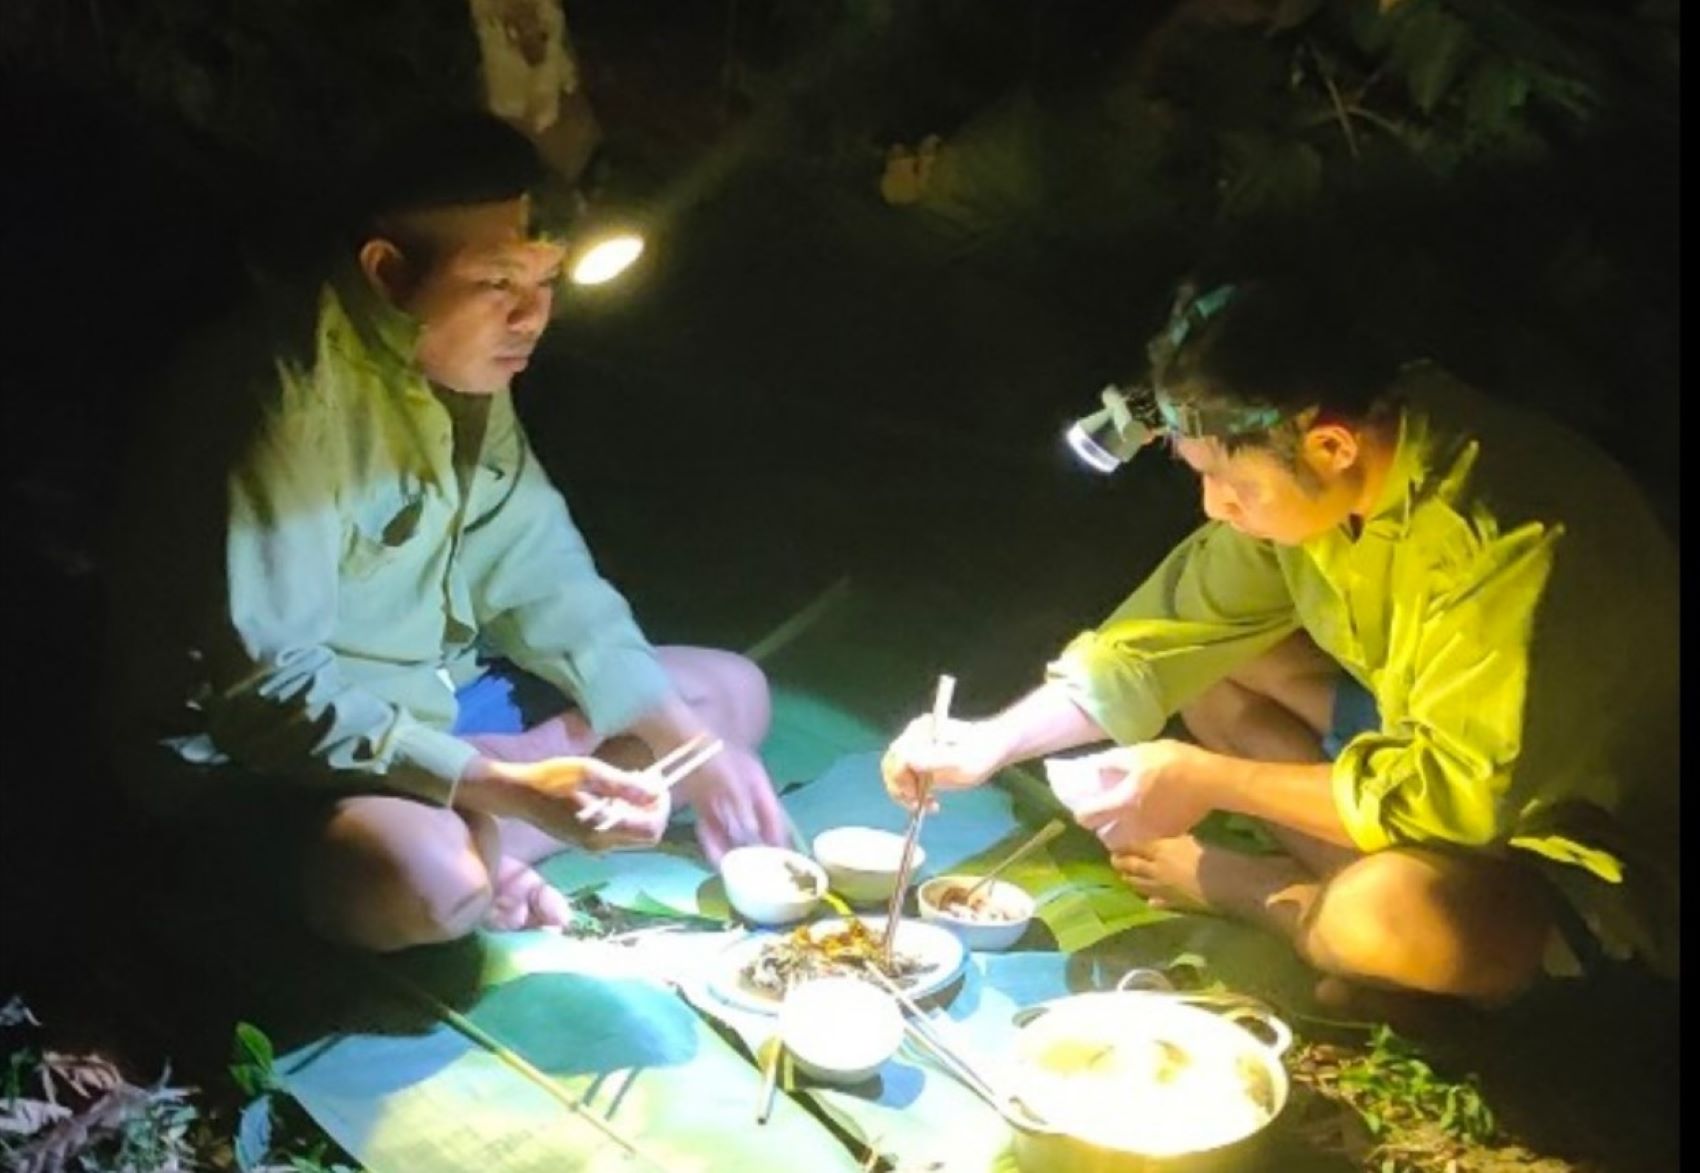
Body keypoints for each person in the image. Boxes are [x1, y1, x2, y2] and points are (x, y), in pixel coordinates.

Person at [882, 276, 1678, 1007]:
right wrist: (991, 741)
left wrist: (1211, 779)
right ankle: (1363, 924)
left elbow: (1454, 800)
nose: (1213, 506)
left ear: (1331, 445)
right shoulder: (1325, 461)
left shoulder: (1503, 540)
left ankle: (1287, 903)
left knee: (1380, 915)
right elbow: (1158, 642)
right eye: (1198, 475)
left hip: (1584, 850)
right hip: (1425, 749)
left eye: (1232, 483)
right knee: (1211, 673)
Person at [105, 111, 788, 952]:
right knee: (425, 885)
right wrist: (503, 781)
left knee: (726, 698)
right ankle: (483, 844)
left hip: (441, 705)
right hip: (275, 764)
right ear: (388, 272)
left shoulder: (460, 369)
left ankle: (492, 832)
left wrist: (689, 746)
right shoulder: (277, 398)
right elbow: (268, 698)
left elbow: (547, 577)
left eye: (547, 282)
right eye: (499, 283)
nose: (532, 317)